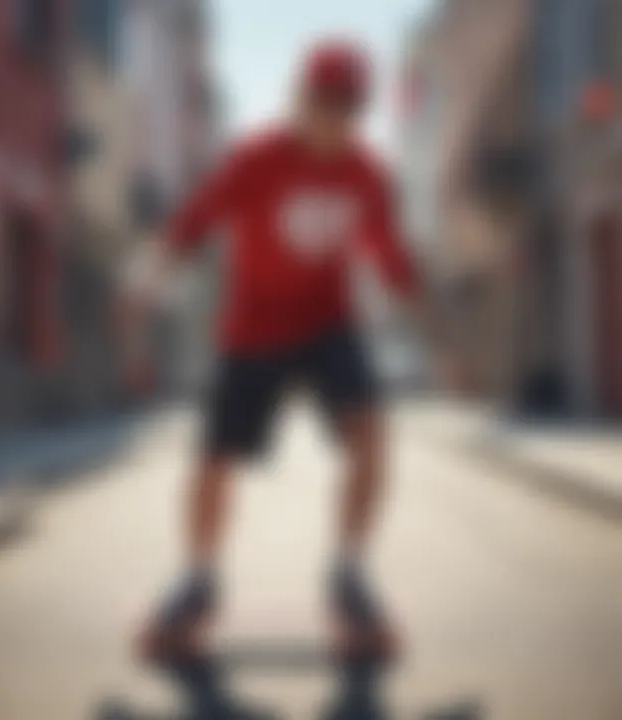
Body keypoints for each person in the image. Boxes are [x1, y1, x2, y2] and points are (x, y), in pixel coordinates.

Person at [135, 38, 457, 663]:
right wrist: (143, 286)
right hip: (251, 328)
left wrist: (442, 341)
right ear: (301, 100)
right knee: (214, 460)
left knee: (372, 433)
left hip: (328, 322)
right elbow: (191, 224)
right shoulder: (255, 160)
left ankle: (348, 571)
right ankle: (198, 577)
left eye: (351, 110)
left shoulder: (368, 175)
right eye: (326, 104)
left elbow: (394, 265)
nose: (338, 122)